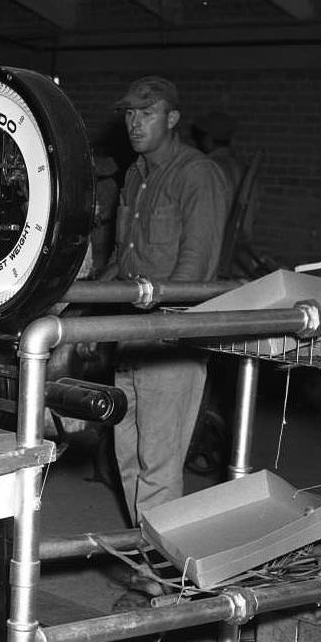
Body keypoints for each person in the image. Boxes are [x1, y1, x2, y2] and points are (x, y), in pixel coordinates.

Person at [103, 76, 231, 530]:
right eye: (130, 115)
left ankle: (161, 576)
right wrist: (77, 307)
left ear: (172, 118)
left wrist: (163, 330)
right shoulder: (135, 175)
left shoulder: (197, 175)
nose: (135, 124)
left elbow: (194, 269)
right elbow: (122, 259)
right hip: (131, 334)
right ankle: (146, 559)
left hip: (169, 336)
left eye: (148, 113)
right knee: (128, 455)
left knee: (158, 461)